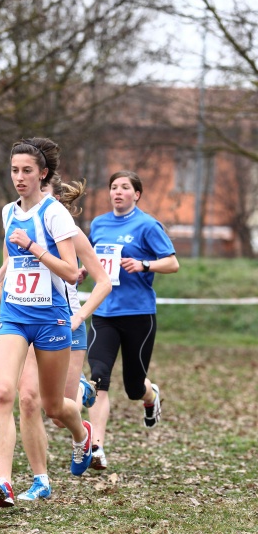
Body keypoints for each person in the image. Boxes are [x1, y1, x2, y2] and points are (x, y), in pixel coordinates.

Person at [0, 137, 94, 508]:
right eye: (14, 170)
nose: (19, 177)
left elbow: (71, 272)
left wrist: (34, 247)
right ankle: (3, 482)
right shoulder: (8, 212)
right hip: (15, 315)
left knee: (54, 407)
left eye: (26, 171)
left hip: (51, 318)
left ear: (42, 174)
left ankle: (81, 433)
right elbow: (11, 260)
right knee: (5, 393)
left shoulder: (54, 214)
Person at [15, 177, 112, 501]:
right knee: (28, 400)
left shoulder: (69, 232)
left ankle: (82, 430)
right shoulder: (20, 224)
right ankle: (40, 480)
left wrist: (79, 316)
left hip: (65, 326)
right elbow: (11, 268)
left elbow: (103, 282)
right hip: (29, 322)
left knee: (56, 414)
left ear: (56, 201)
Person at [79, 170, 179, 470]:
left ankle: (150, 395)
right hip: (104, 313)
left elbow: (172, 263)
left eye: (125, 187)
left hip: (138, 315)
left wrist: (144, 264)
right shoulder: (99, 224)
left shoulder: (147, 225)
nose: (118, 192)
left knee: (134, 387)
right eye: (113, 187)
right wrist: (83, 271)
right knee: (98, 379)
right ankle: (96, 449)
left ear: (137, 194)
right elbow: (91, 258)